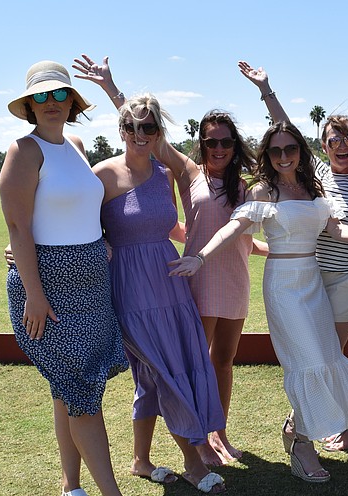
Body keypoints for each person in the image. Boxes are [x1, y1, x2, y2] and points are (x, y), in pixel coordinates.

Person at [74, 54, 266, 467]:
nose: (218, 148)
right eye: (211, 141)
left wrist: (267, 91)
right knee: (178, 363)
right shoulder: (185, 172)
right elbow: (146, 134)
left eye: (225, 142)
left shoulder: (242, 184)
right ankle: (196, 446)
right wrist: (112, 89)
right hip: (186, 275)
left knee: (219, 361)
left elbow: (234, 229)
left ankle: (218, 434)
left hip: (221, 274)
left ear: (235, 146)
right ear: (200, 145)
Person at [169, 122, 348, 483]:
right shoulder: (264, 192)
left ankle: (296, 431)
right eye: (275, 151)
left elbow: (335, 229)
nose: (284, 156)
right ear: (268, 156)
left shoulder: (314, 187)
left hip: (312, 281)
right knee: (308, 362)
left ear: (301, 151)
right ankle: (303, 445)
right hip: (283, 286)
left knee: (327, 356)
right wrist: (201, 257)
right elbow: (232, 228)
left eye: (290, 149)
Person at [0, 60, 149, 496]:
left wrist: (101, 238)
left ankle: (71, 486)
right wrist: (35, 294)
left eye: (59, 94)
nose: (52, 104)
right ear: (28, 106)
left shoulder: (78, 147)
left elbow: (85, 206)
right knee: (81, 390)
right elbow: (19, 228)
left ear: (71, 101)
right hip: (48, 289)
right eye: (41, 97)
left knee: (71, 388)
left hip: (91, 283)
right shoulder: (24, 151)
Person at [93, 93, 227, 494]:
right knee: (162, 369)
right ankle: (192, 462)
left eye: (148, 127)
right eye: (131, 127)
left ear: (158, 133)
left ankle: (140, 460)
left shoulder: (162, 174)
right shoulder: (102, 175)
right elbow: (79, 228)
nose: (139, 134)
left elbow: (169, 225)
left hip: (170, 283)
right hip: (131, 288)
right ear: (120, 131)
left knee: (154, 377)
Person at [238, 61, 348, 452]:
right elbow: (286, 131)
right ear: (324, 145)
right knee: (314, 356)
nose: (341, 145)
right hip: (308, 279)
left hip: (345, 280)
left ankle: (331, 425)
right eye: (333, 140)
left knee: (330, 358)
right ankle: (320, 426)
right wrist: (266, 89)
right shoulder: (315, 175)